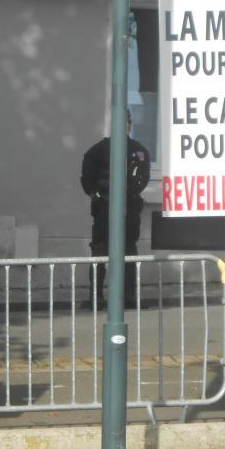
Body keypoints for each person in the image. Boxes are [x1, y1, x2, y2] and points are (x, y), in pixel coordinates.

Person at [80, 110, 150, 309]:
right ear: (129, 125)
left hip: (106, 207)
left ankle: (97, 298)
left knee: (101, 252)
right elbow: (142, 180)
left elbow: (87, 181)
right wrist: (130, 193)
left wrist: (97, 194)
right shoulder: (139, 150)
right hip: (126, 207)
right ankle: (127, 297)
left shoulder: (97, 150)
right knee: (127, 251)